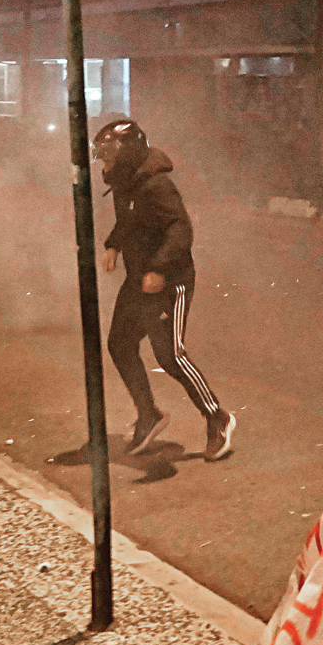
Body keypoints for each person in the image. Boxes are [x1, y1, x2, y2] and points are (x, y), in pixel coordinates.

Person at [93, 118, 235, 462]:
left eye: (109, 156)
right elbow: (129, 221)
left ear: (127, 153)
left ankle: (218, 417)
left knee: (169, 355)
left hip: (171, 281)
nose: (104, 164)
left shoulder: (156, 185)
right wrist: (114, 245)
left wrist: (159, 267)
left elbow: (180, 229)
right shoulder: (126, 183)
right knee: (120, 344)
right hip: (139, 279)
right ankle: (149, 415)